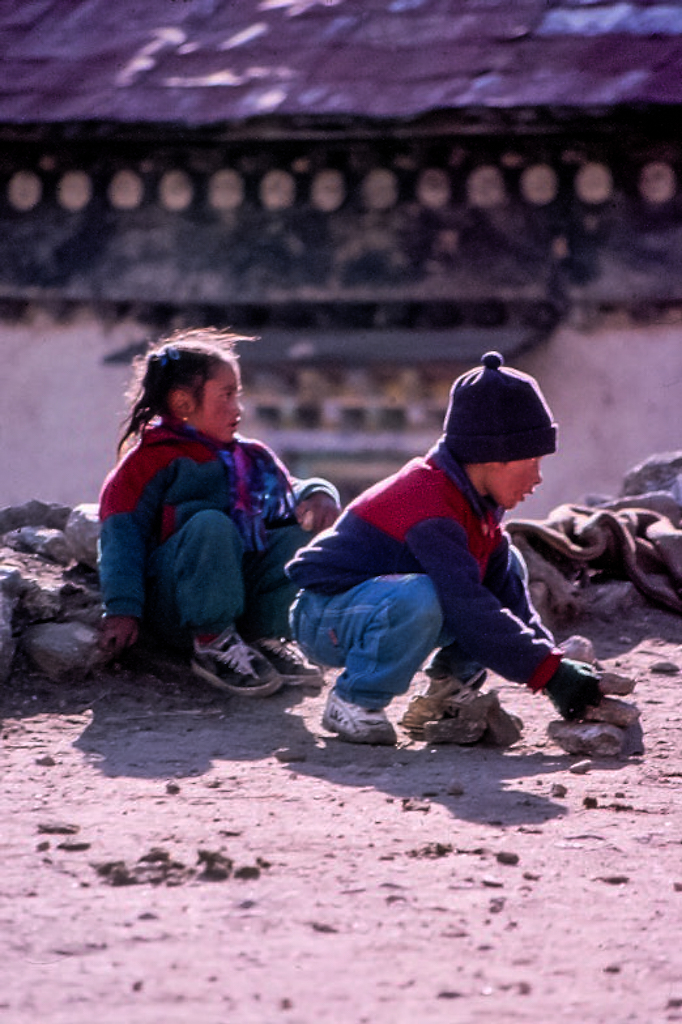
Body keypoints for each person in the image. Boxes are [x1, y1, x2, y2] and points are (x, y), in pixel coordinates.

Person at [286, 351, 603, 745]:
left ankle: (447, 692)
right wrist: (550, 677)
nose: (538, 477)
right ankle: (354, 700)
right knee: (432, 595)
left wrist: (553, 664)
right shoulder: (430, 502)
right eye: (532, 459)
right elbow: (467, 607)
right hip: (325, 614)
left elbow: (508, 604)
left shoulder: (478, 507)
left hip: (380, 605)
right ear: (494, 458)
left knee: (506, 565)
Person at [98, 327, 340, 697]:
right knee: (210, 524)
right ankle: (212, 643)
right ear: (183, 404)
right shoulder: (149, 462)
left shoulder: (248, 457)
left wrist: (318, 495)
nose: (237, 408)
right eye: (226, 395)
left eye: (237, 395)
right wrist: (122, 609)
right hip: (177, 605)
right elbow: (120, 536)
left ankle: (265, 635)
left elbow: (285, 494)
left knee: (298, 532)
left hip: (235, 597)